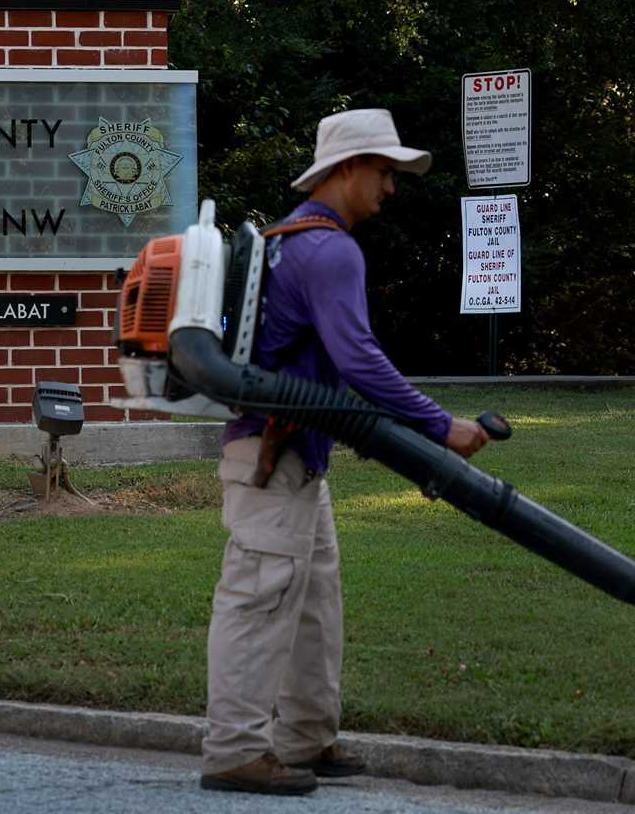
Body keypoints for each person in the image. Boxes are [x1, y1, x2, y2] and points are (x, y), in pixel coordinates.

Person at [200, 108, 489, 796]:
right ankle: (235, 751)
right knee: (260, 599)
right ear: (347, 169)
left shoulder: (284, 241)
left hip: (296, 457)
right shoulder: (330, 250)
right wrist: (439, 427)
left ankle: (304, 739)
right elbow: (358, 361)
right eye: (385, 172)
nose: (391, 188)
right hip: (275, 459)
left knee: (312, 604)